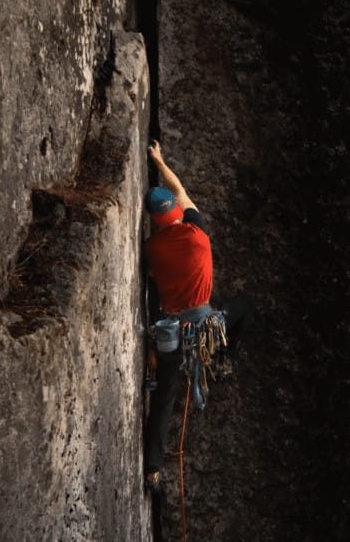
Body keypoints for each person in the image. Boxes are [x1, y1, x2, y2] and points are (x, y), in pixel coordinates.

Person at [142, 140, 244, 489]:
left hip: (172, 335)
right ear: (175, 215)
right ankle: (225, 356)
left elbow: (155, 284)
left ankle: (153, 468)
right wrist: (158, 160)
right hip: (206, 330)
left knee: (164, 400)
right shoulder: (197, 233)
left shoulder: (152, 249)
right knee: (244, 307)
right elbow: (179, 189)